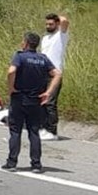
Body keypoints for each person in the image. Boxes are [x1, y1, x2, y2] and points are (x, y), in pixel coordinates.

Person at [2, 32, 61, 173]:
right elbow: (57, 74)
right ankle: (36, 164)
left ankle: (12, 162)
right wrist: (48, 92)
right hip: (36, 100)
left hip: (19, 98)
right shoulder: (43, 59)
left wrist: (11, 88)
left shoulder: (20, 56)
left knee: (15, 131)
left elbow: (11, 71)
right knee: (34, 132)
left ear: (26, 43)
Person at [38, 13, 69, 141]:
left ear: (56, 24)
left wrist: (57, 17)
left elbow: (65, 21)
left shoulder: (61, 36)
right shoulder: (45, 38)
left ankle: (52, 131)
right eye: (46, 24)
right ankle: (43, 128)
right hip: (42, 73)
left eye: (51, 24)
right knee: (41, 101)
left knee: (50, 103)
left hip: (54, 75)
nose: (48, 26)